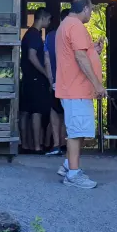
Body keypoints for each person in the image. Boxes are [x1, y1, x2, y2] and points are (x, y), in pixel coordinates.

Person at [55, 0, 106, 189]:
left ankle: (68, 166)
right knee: (76, 133)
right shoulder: (75, 26)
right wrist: (98, 85)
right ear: (84, 9)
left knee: (80, 130)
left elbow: (81, 53)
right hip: (76, 89)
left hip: (74, 88)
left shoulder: (66, 25)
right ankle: (73, 175)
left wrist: (95, 50)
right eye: (91, 10)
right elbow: (80, 57)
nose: (91, 13)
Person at [19, 8, 52, 153]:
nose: (49, 22)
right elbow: (32, 56)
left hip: (26, 78)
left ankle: (26, 145)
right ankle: (37, 146)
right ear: (43, 18)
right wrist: (45, 72)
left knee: (25, 112)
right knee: (36, 112)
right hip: (35, 78)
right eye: (49, 19)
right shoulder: (34, 36)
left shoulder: (29, 34)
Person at [43, 8, 69, 156]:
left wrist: (50, 80)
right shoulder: (73, 37)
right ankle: (66, 144)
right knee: (67, 112)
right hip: (70, 82)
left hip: (55, 81)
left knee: (54, 111)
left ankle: (56, 144)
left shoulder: (51, 36)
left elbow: (46, 59)